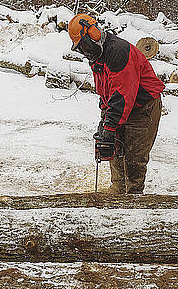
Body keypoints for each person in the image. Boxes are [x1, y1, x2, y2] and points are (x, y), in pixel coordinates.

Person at [68, 13, 164, 194]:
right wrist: (104, 120)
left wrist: (110, 126)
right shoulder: (96, 58)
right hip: (122, 105)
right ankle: (118, 191)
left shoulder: (118, 52)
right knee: (115, 151)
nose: (86, 51)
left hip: (143, 107)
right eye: (81, 48)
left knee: (134, 159)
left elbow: (122, 95)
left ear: (94, 34)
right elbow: (106, 92)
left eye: (85, 45)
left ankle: (134, 197)